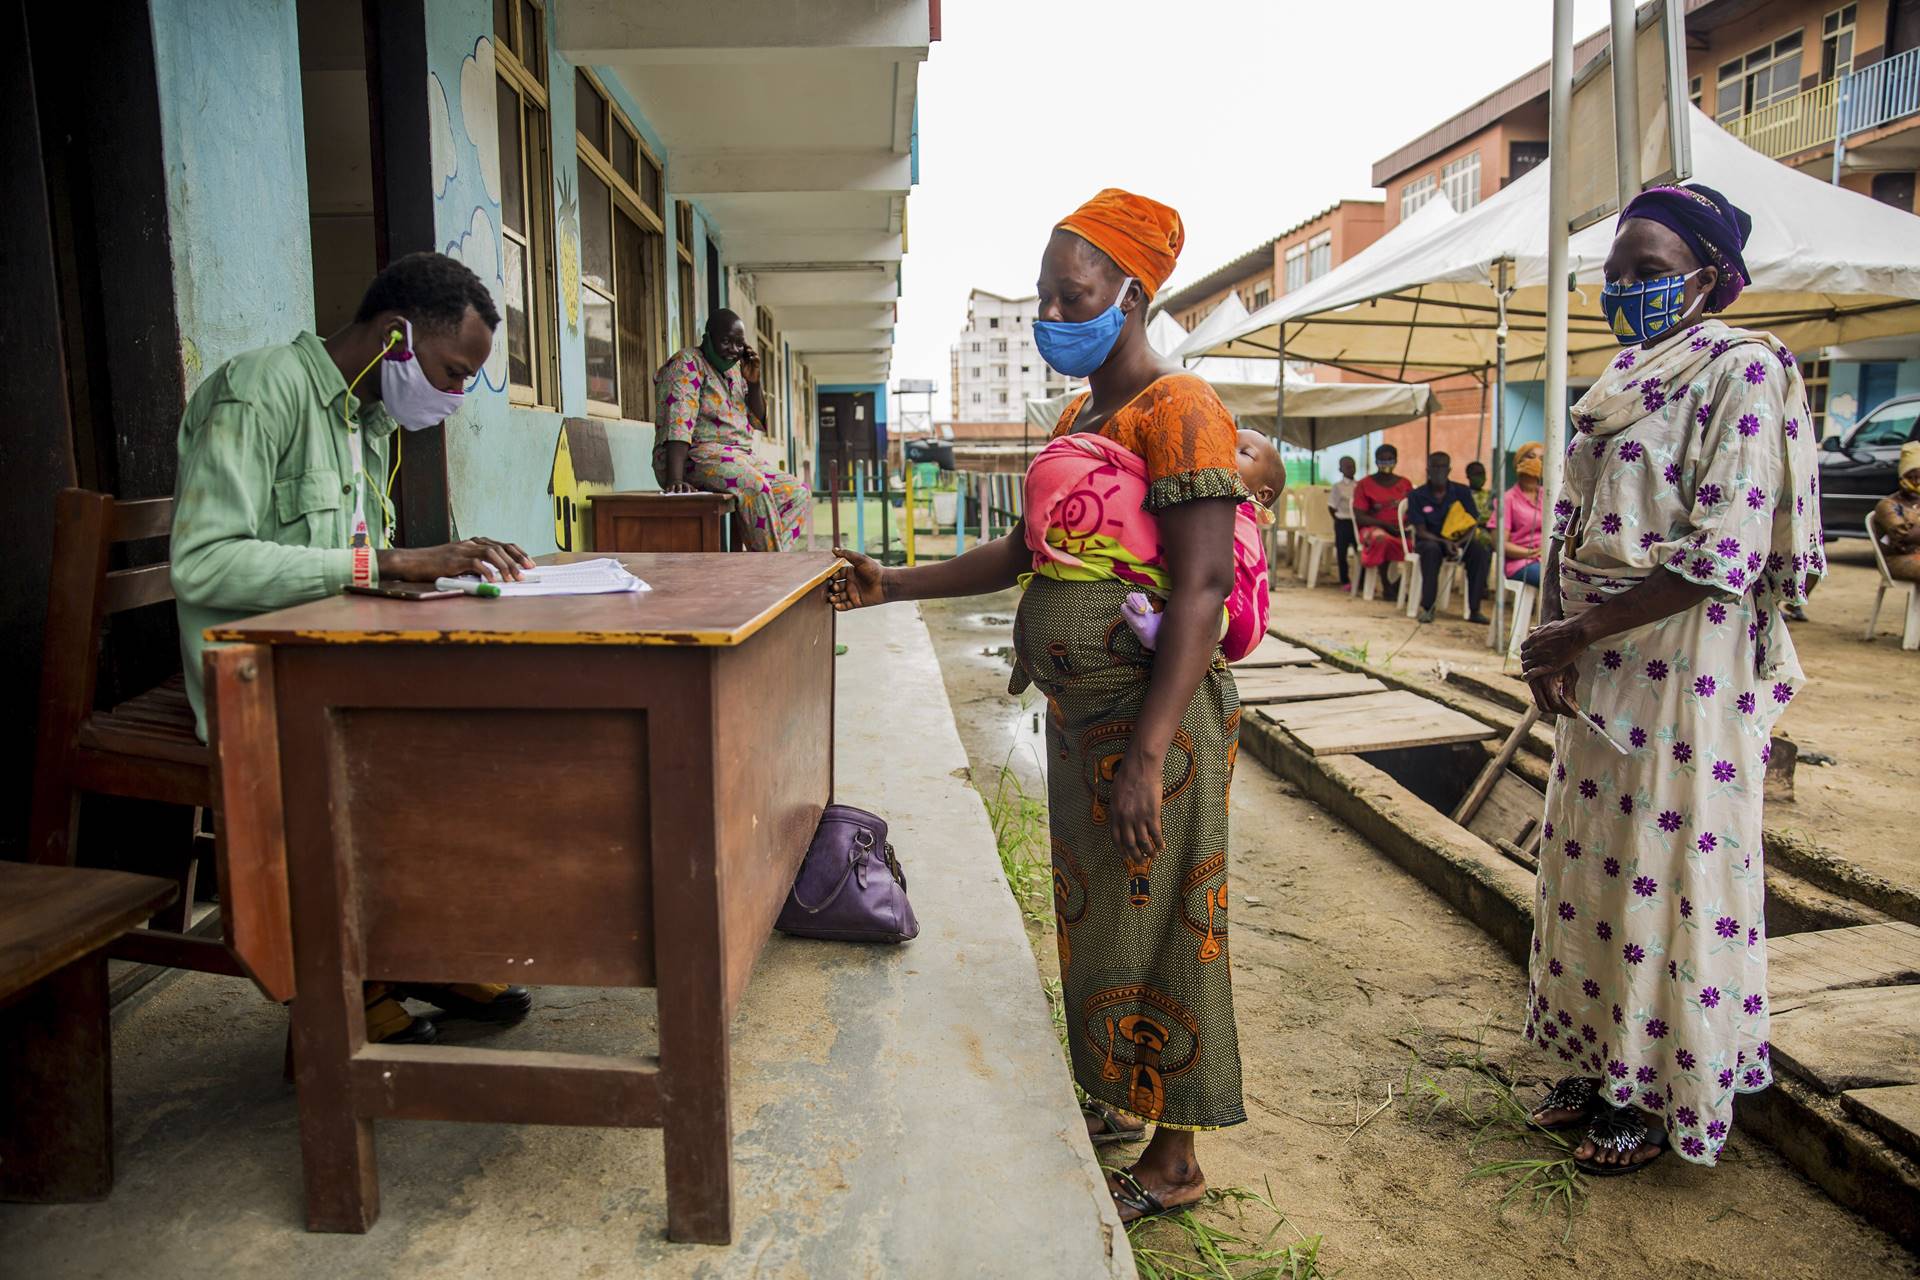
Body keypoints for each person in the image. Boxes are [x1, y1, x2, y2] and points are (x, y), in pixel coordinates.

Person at [830, 189, 1246, 1223]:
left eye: (1077, 293)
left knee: (1169, 914)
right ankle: (1120, 1092)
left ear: (1133, 293)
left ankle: (1178, 1153)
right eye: (1046, 297)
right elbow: (1028, 554)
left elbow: (1201, 587)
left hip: (1160, 725)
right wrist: (894, 580)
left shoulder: (1181, 409)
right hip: (1084, 720)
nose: (1055, 314)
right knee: (1102, 911)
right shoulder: (1078, 417)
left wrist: (1150, 752)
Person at [1519, 183, 1821, 1174]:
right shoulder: (1618, 379)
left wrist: (1578, 629)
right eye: (1614, 276)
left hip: (1682, 661)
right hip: (1597, 660)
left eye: (1649, 273)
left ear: (1710, 276)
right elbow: (1571, 520)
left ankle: (1649, 1089)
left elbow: (1725, 544)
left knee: (1667, 867)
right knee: (1589, 862)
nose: (1626, 290)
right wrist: (1547, 637)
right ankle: (1595, 1055)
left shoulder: (1746, 368)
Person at [171, 251, 537, 1044]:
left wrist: (433, 578)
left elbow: (354, 562)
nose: (454, 395)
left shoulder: (366, 424)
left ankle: (415, 945)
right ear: (395, 336)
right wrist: (391, 565)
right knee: (414, 753)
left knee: (491, 721)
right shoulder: (259, 393)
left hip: (329, 663)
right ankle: (346, 977)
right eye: (449, 371)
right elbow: (202, 562)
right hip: (256, 679)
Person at [1117, 428, 1285, 659]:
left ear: (1263, 495)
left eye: (1244, 453)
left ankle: (1161, 634)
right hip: (1234, 622)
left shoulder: (1239, 505)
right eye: (1225, 444)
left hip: (1241, 621)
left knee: (1208, 599)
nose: (1226, 452)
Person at [651, 310, 810, 551]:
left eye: (739, 344)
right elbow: (678, 420)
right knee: (755, 486)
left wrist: (754, 382)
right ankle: (772, 570)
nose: (733, 350)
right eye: (726, 341)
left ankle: (764, 564)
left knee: (797, 493)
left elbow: (757, 420)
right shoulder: (687, 362)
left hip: (741, 457)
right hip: (696, 457)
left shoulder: (737, 370)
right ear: (707, 338)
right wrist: (674, 479)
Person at [1405, 451, 1491, 624]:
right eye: (1434, 466)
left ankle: (1474, 609)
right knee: (1431, 550)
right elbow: (1420, 530)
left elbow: (1473, 523)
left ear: (1449, 469)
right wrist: (1444, 542)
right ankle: (1428, 608)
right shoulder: (1417, 495)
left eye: (1442, 466)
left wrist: (1458, 543)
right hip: (1430, 541)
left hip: (1459, 541)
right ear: (1428, 469)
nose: (1438, 471)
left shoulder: (1461, 492)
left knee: (1480, 550)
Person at [1352, 443, 1412, 599]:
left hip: (1401, 530)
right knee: (1381, 539)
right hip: (1373, 528)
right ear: (1376, 461)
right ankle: (1387, 584)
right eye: (1382, 459)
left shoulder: (1405, 484)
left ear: (1396, 460)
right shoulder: (1364, 484)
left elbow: (1413, 510)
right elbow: (1359, 516)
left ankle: (1399, 584)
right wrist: (1385, 525)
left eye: (1390, 459)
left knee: (1421, 546)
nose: (1386, 463)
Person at [1497, 441, 1547, 588]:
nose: (1536, 462)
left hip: (1548, 558)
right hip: (1521, 563)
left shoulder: (1549, 494)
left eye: (1541, 459)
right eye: (1531, 456)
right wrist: (1531, 552)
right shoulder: (1508, 499)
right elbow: (1500, 543)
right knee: (1552, 581)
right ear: (1519, 461)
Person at [1870, 440, 1920, 582]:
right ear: (1902, 478)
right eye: (1911, 477)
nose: (1916, 482)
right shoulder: (1889, 505)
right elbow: (1906, 536)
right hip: (1897, 559)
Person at [1329, 455, 1359, 591]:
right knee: (1342, 553)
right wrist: (1337, 520)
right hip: (1342, 522)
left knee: (1361, 552)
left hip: (1357, 522)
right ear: (1340, 469)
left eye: (1352, 466)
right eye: (1347, 466)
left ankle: (1361, 580)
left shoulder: (1360, 486)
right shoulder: (1337, 487)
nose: (1350, 469)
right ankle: (1345, 580)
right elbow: (1331, 506)